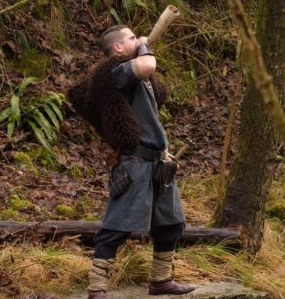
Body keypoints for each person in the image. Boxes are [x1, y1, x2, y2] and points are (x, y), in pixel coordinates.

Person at [67, 25, 195, 298]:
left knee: (171, 223)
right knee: (117, 226)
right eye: (132, 38)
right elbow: (148, 64)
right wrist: (146, 45)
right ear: (118, 48)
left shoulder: (133, 74)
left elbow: (149, 117)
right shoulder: (116, 71)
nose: (138, 41)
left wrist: (165, 152)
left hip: (157, 162)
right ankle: (97, 288)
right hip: (135, 163)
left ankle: (160, 281)